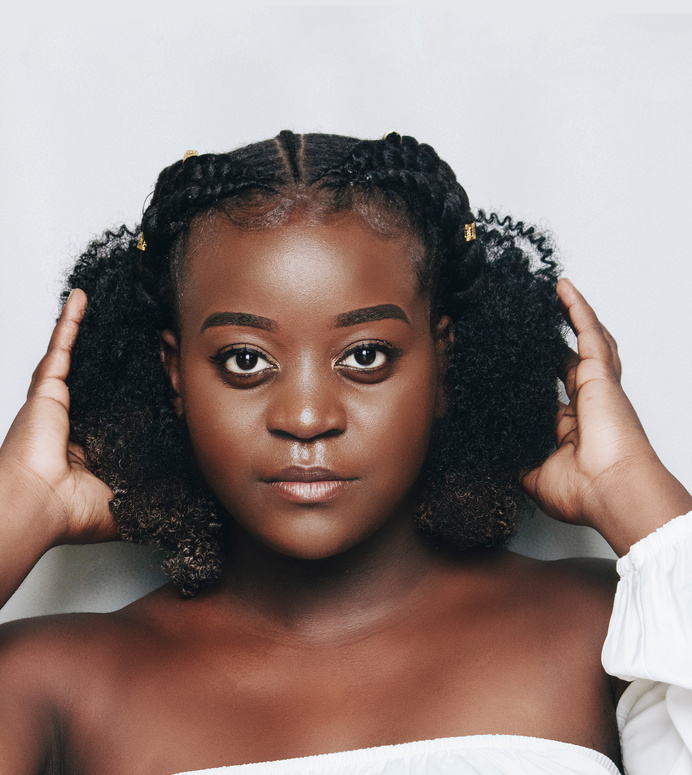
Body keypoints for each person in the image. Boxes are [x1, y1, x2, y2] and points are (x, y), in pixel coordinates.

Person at [0, 131, 689, 775]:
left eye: (365, 355)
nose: (306, 417)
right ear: (175, 376)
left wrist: (632, 488)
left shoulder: (603, 629)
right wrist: (20, 503)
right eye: (245, 359)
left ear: (442, 363)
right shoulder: (56, 679)